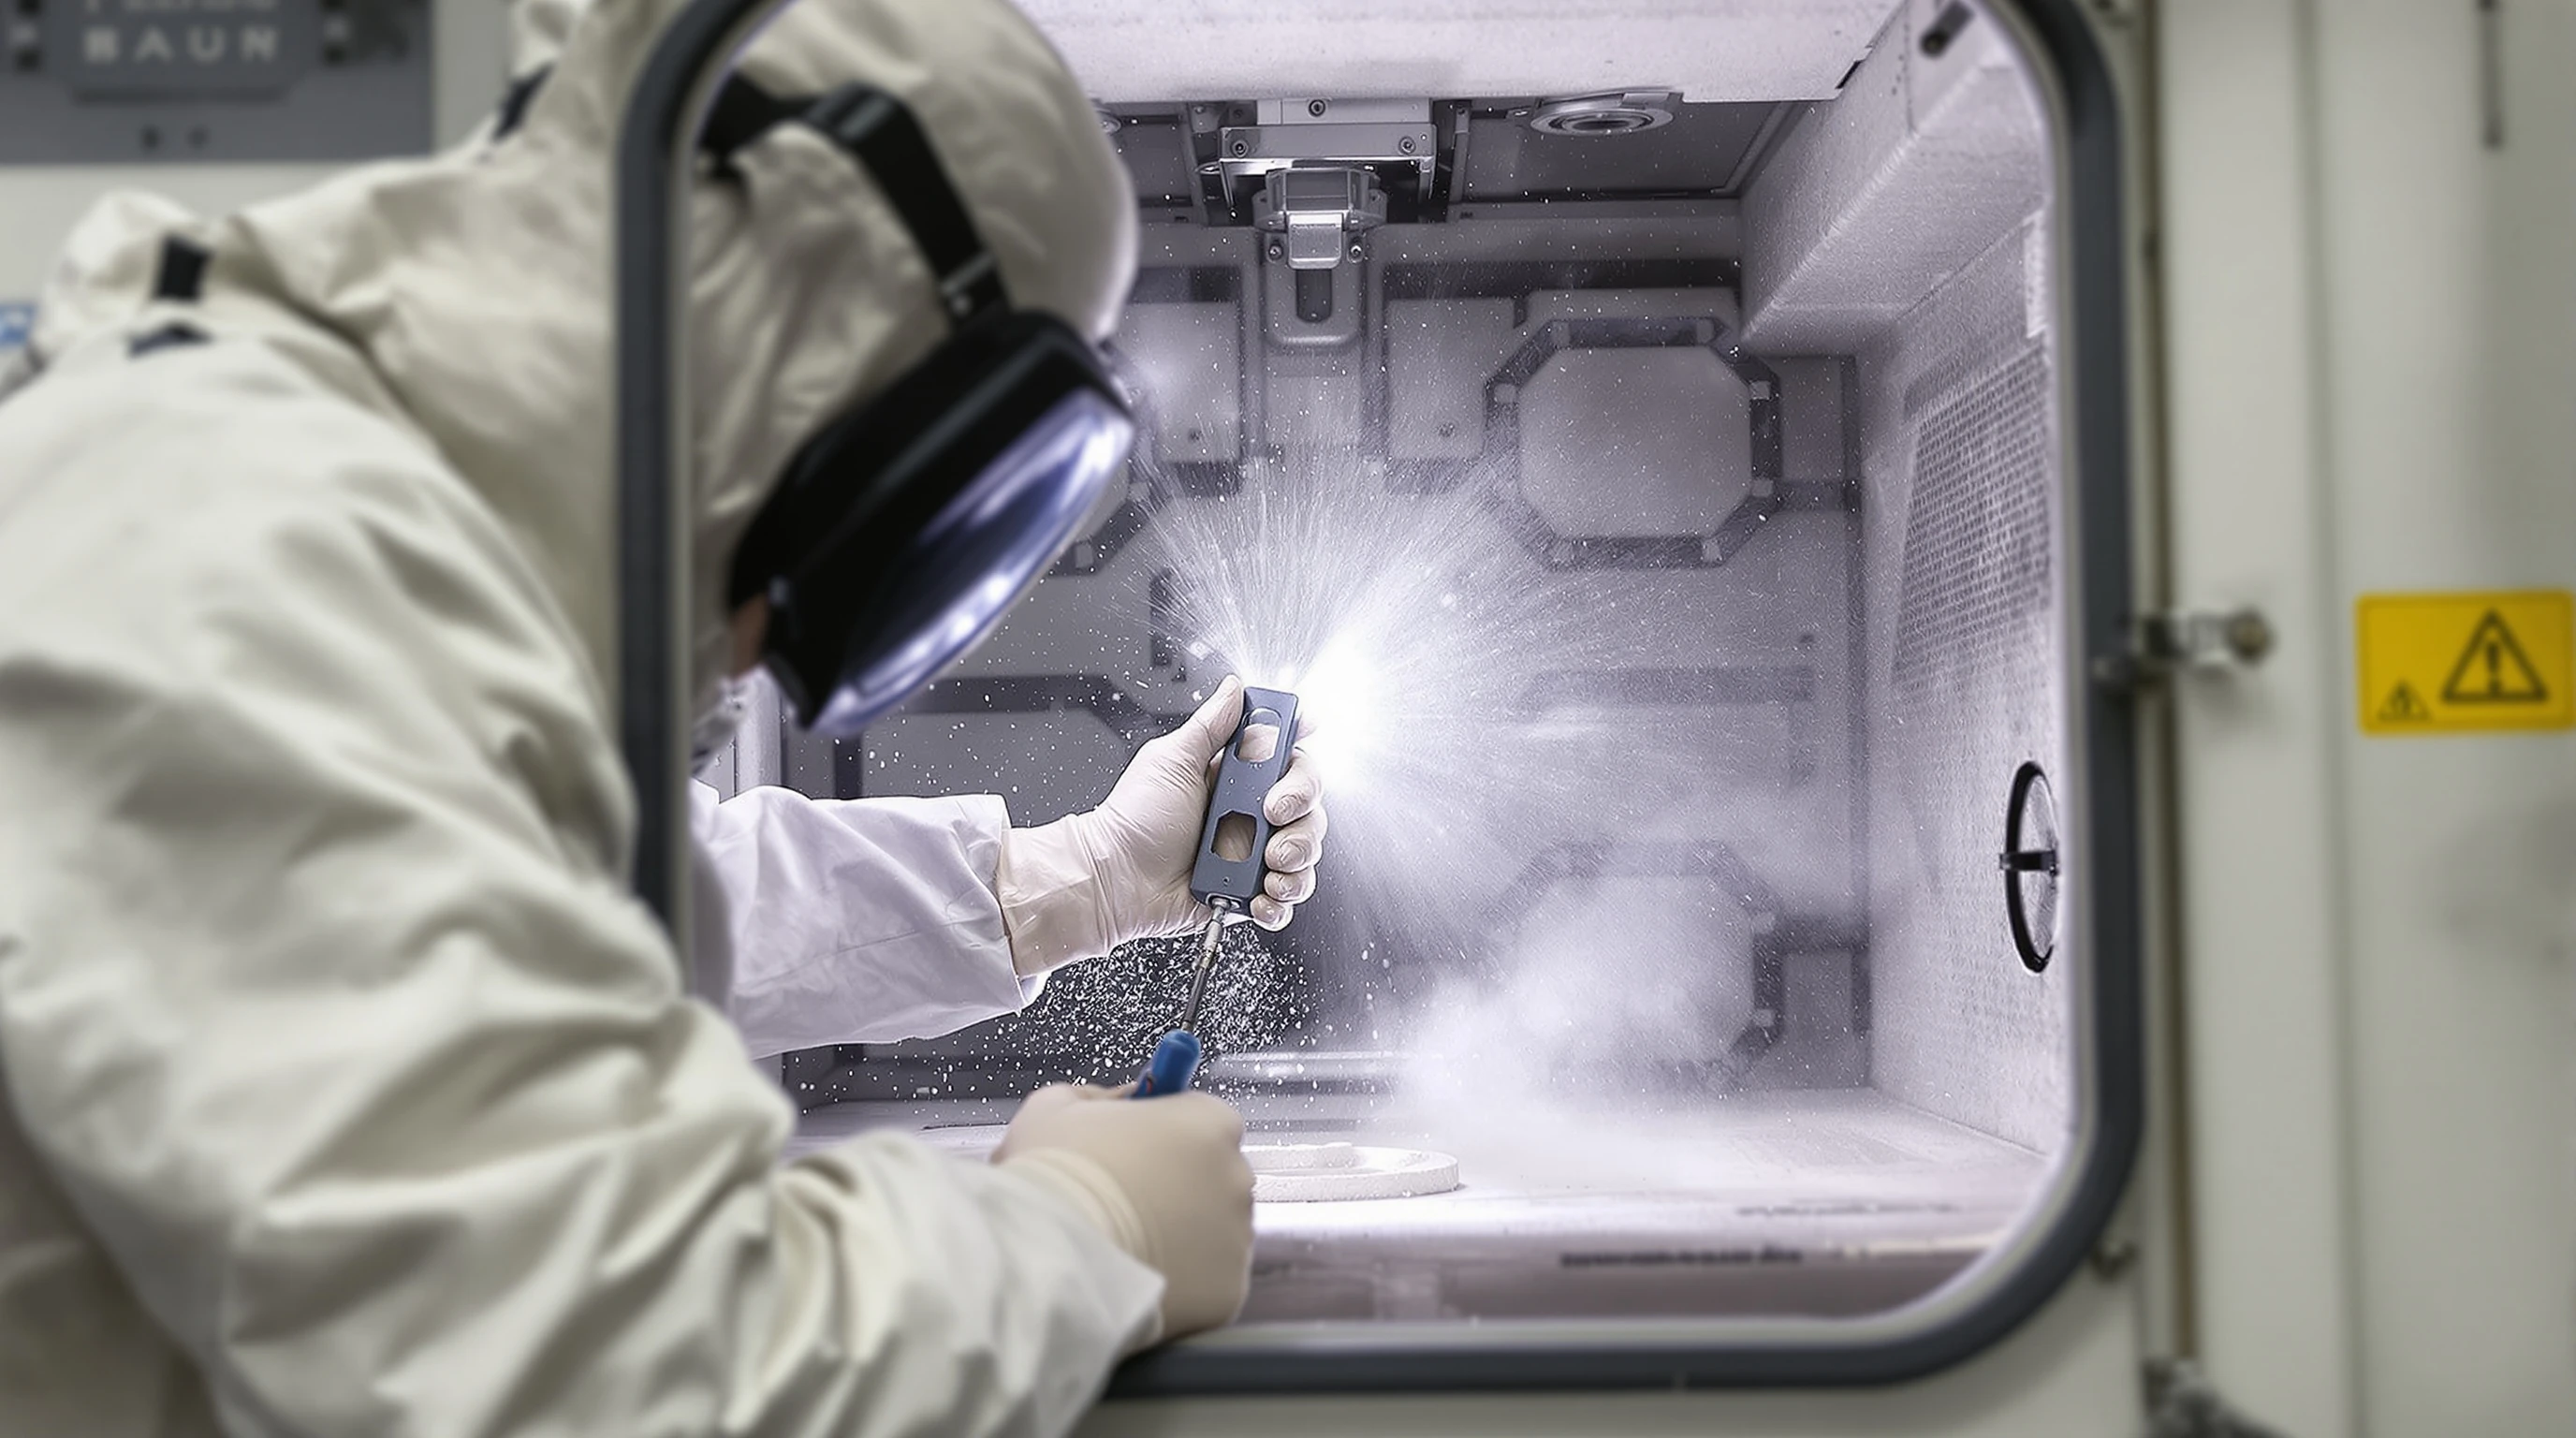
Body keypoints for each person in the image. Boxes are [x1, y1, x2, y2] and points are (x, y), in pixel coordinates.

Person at [0, 0, 1325, 1433]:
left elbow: (580, 898)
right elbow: (581, 1374)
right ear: (786, 314)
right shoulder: (233, 550)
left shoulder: (343, 532)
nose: (808, 620)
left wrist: (1089, 876)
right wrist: (1078, 1235)